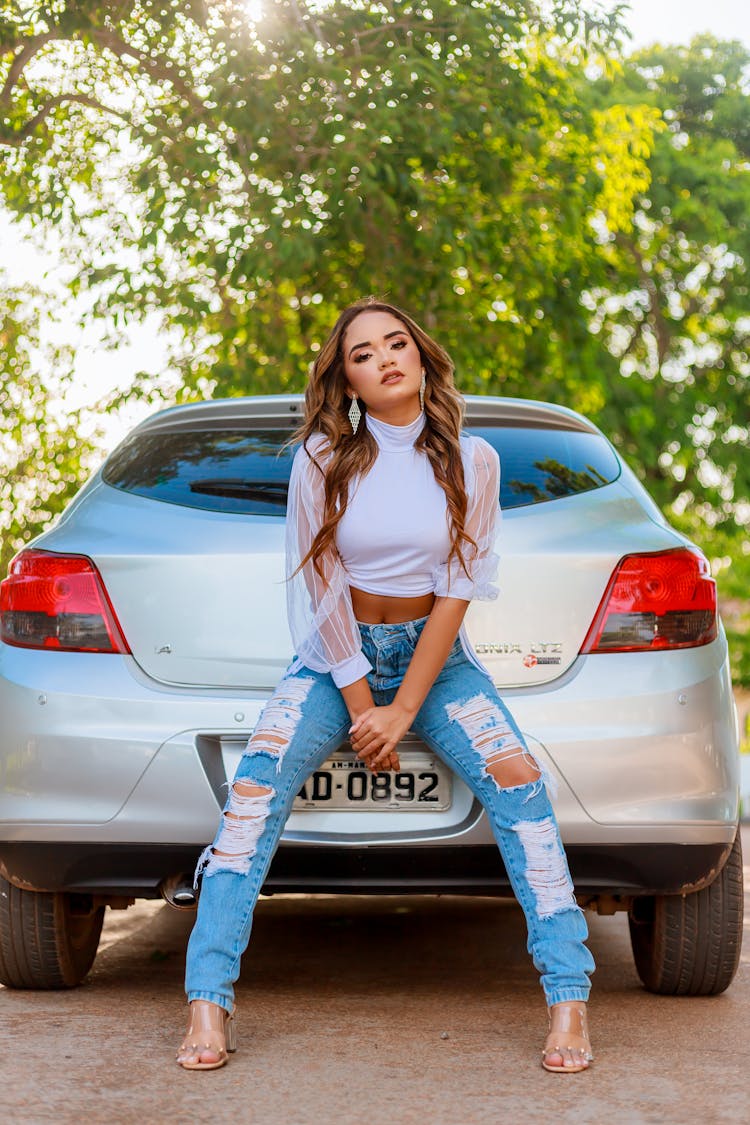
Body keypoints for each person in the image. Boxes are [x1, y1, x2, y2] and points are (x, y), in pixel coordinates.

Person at [176, 298, 595, 1074]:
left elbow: (459, 587)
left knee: (522, 785)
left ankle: (568, 999)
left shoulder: (475, 461)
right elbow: (323, 587)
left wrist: (406, 705)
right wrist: (365, 704)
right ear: (347, 381)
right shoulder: (320, 458)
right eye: (363, 354)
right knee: (254, 788)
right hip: (335, 661)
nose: (386, 359)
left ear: (422, 355)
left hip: (439, 664)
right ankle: (208, 999)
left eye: (397, 343)